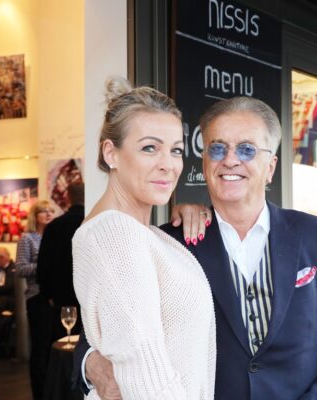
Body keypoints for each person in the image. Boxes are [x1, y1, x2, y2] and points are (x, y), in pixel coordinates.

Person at [75, 95, 317, 399]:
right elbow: (111, 329)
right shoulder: (171, 242)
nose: (230, 160)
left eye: (247, 149)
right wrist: (90, 364)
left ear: (271, 167)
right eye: (217, 148)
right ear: (205, 161)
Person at [71, 77, 215, 399]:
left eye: (176, 150)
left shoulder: (142, 234)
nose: (168, 165)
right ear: (111, 153)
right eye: (150, 148)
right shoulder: (113, 234)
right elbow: (146, 375)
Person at [15, 200, 54, 400]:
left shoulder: (53, 237)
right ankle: (39, 393)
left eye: (51, 211)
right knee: (40, 348)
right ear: (35, 216)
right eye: (44, 211)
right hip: (36, 297)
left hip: (54, 298)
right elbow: (20, 268)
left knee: (52, 348)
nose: (49, 214)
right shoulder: (27, 239)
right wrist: (44, 265)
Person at [37, 181, 85, 342]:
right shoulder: (95, 223)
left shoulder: (54, 226)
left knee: (64, 342)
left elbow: (44, 265)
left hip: (62, 297)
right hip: (91, 297)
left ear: (68, 197)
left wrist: (47, 294)